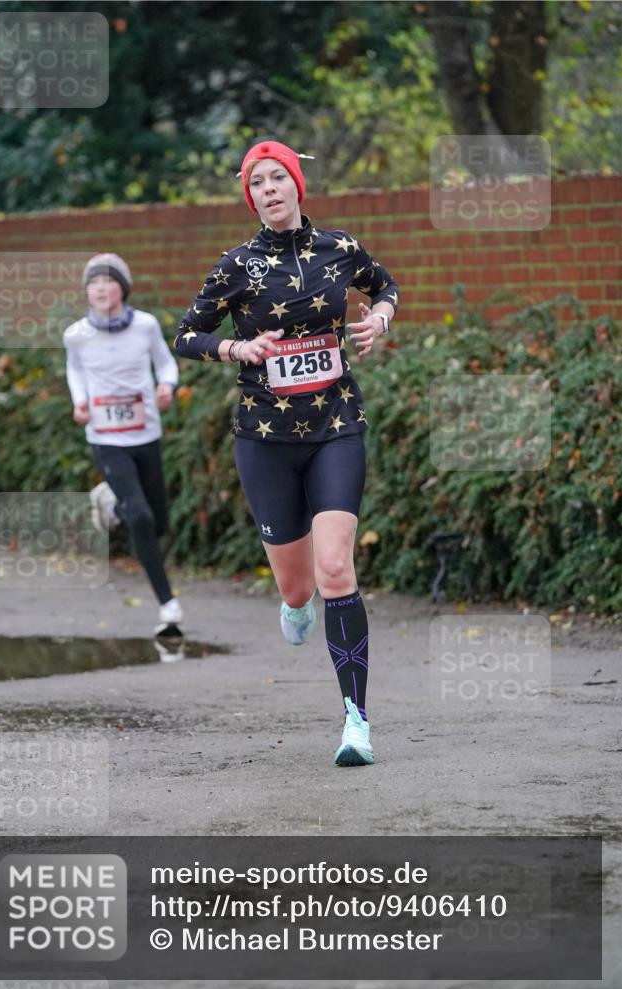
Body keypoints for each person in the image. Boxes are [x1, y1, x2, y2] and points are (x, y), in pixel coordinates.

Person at [175, 140, 400, 765]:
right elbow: (186, 334)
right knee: (300, 589)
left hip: (336, 425)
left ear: (298, 185)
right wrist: (233, 350)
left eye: (279, 178)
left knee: (335, 570)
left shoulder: (340, 249)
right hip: (265, 440)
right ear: (250, 198)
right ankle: (293, 604)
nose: (270, 189)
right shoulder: (237, 265)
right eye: (258, 183)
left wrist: (379, 319)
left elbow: (386, 287)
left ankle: (357, 722)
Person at [63, 253, 182, 636]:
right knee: (141, 518)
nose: (100, 288)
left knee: (158, 521)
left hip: (146, 432)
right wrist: (79, 401)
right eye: (93, 282)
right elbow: (75, 370)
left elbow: (166, 364)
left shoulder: (145, 326)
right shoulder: (76, 334)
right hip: (105, 437)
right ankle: (168, 604)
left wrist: (167, 386)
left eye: (108, 281)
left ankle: (110, 503)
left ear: (123, 288)